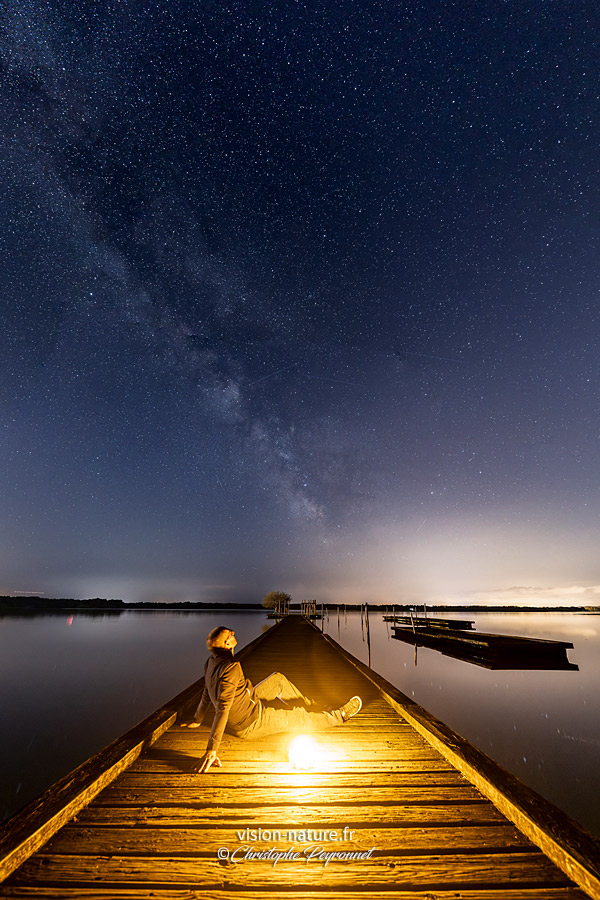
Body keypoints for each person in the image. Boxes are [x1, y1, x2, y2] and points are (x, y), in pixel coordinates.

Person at [182, 625, 362, 772]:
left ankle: (314, 706)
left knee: (278, 680)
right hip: (251, 721)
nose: (234, 632)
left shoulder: (210, 662)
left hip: (247, 700)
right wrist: (211, 749)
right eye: (229, 632)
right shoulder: (232, 667)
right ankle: (340, 715)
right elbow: (223, 708)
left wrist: (198, 719)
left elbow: (206, 691)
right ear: (228, 643)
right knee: (298, 717)